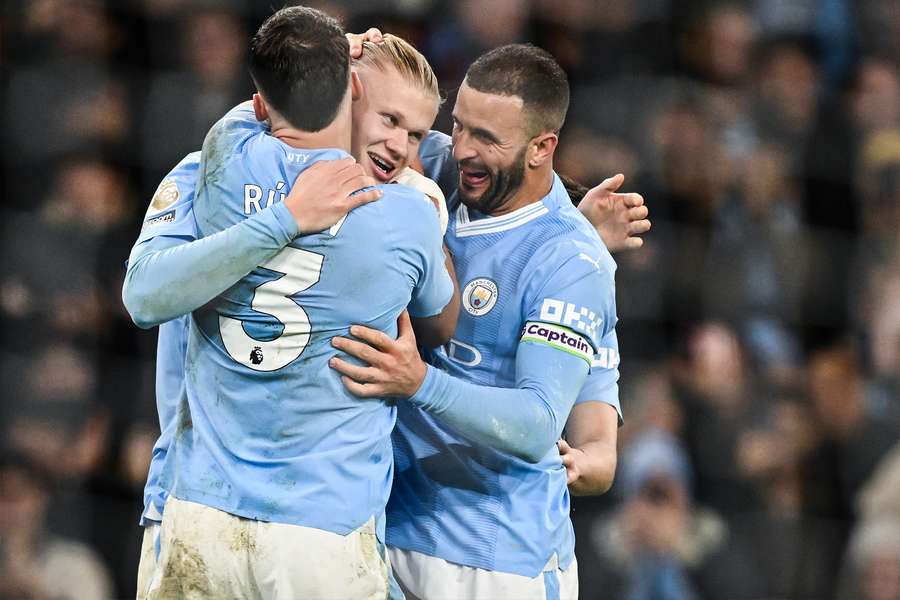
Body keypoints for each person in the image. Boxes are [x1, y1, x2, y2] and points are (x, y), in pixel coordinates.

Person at [124, 8, 455, 598]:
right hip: (315, 523)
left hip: (201, 502)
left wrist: (313, 60)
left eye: (415, 135)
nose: (402, 147)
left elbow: (144, 295)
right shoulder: (409, 213)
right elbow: (444, 316)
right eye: (389, 120)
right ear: (348, 93)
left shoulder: (213, 165)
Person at [331, 44, 621, 599]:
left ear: (542, 148)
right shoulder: (438, 164)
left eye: (486, 138)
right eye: (459, 125)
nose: (461, 148)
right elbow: (358, 108)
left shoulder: (570, 263)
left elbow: (538, 422)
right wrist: (341, 49)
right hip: (384, 530)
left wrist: (418, 382)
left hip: (493, 563)